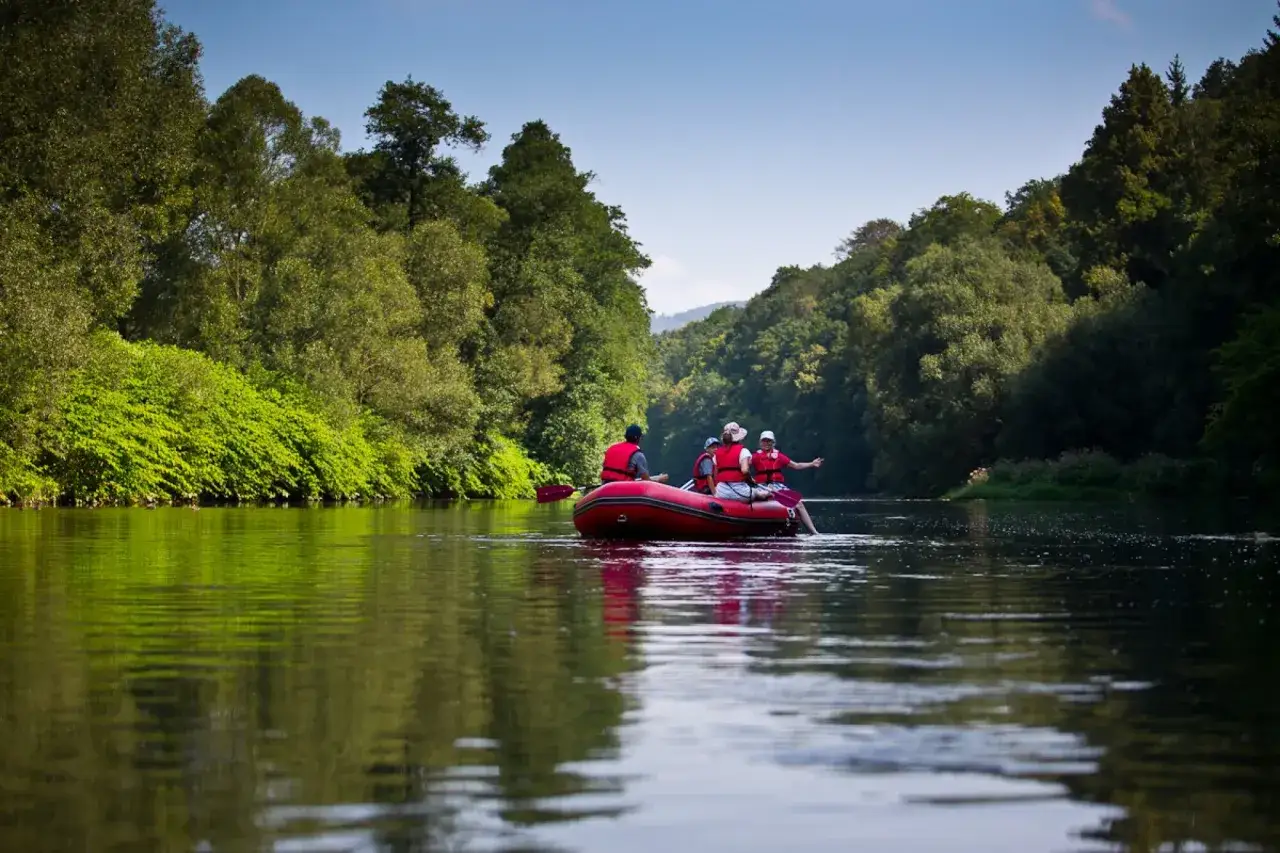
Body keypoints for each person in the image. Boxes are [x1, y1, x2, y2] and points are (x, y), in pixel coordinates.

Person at [753, 430, 822, 535]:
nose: (766, 443)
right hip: (761, 486)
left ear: (773, 443)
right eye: (764, 441)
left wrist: (812, 464)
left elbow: (796, 465)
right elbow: (742, 467)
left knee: (799, 503)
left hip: (777, 487)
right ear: (760, 442)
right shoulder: (754, 457)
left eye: (769, 441)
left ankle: (814, 532)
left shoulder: (779, 457)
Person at [712, 422, 773, 502]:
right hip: (739, 492)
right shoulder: (743, 451)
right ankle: (768, 492)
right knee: (756, 492)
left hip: (721, 492)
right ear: (739, 437)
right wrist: (750, 480)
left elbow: (715, 475)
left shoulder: (717, 454)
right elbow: (745, 470)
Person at [600, 424, 668, 484]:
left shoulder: (612, 448)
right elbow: (646, 481)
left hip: (606, 485)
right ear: (638, 438)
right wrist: (659, 480)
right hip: (622, 488)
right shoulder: (638, 455)